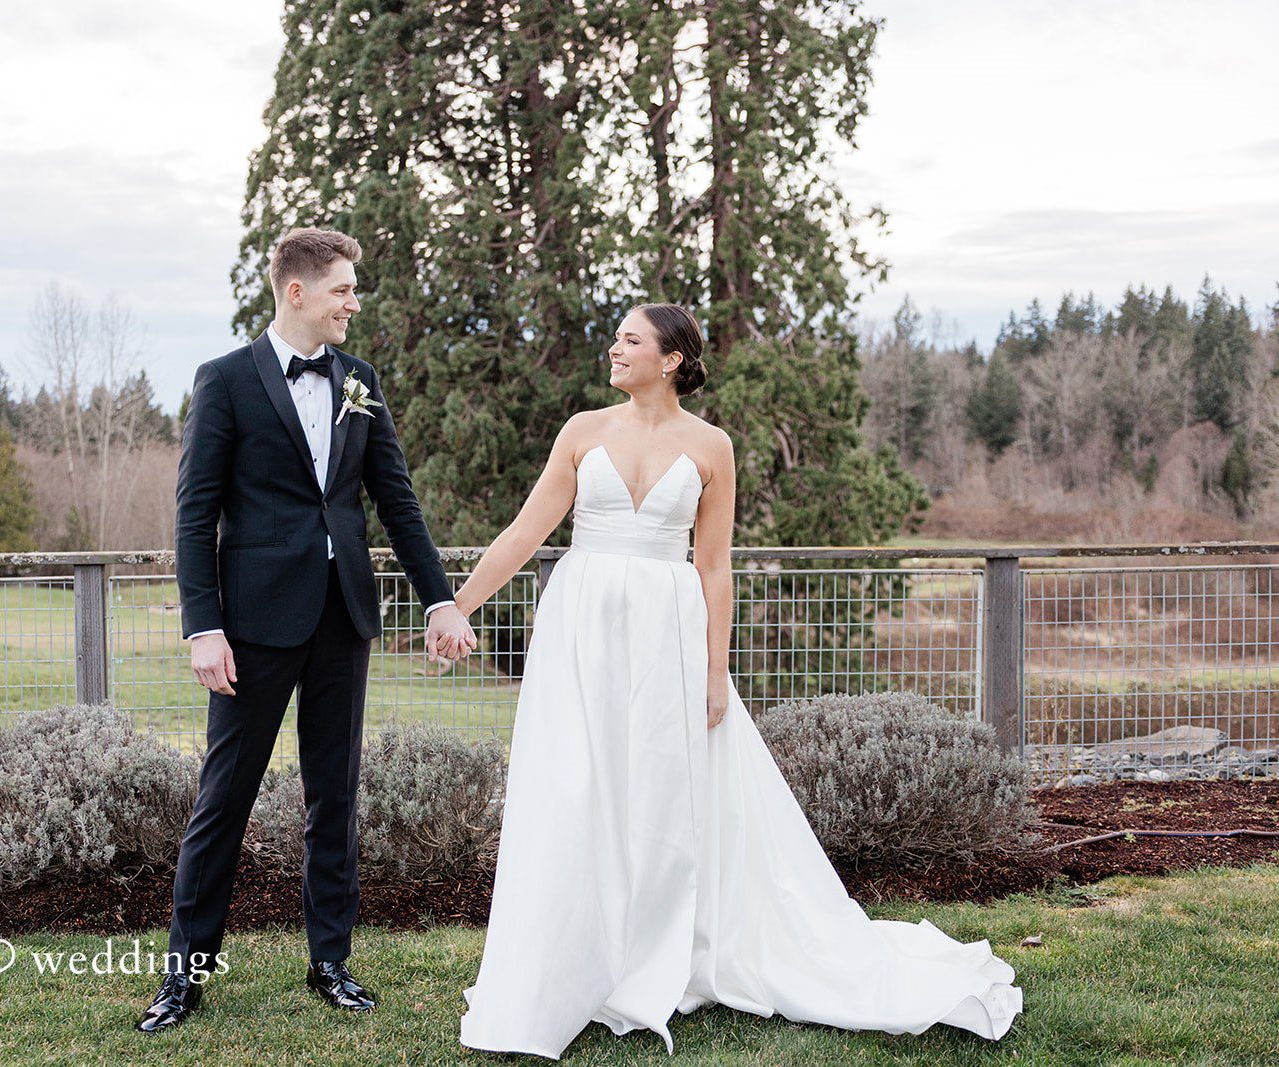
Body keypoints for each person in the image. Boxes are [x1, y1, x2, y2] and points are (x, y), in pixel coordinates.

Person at [448, 303, 1023, 1058]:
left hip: (668, 630)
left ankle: (657, 950)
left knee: (661, 788)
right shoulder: (582, 431)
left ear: (671, 360)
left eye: (630, 339)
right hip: (582, 625)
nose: (614, 348)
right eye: (616, 337)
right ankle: (568, 957)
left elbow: (714, 567)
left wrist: (715, 669)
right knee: (577, 783)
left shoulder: (712, 445)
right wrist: (458, 606)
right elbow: (527, 531)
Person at [137, 227, 478, 1033]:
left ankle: (331, 959)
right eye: (343, 290)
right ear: (298, 291)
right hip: (252, 626)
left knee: (335, 794)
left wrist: (440, 601)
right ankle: (185, 975)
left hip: (342, 616)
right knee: (225, 797)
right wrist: (202, 627)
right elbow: (194, 513)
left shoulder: (360, 380)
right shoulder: (224, 380)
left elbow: (396, 501)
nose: (354, 303)